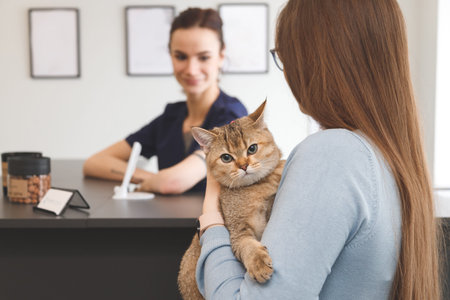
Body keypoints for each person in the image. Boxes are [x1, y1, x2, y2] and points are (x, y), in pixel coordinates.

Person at [195, 0, 440, 299]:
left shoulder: (334, 154)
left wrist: (210, 220)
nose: (286, 74)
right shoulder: (385, 152)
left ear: (314, 61)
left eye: (285, 57)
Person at [83, 8, 247, 194]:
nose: (191, 69)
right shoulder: (171, 117)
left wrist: (160, 180)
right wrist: (154, 179)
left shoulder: (233, 117)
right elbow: (94, 163)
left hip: (214, 223)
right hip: (167, 222)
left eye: (203, 57)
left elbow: (173, 182)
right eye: (181, 57)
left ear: (221, 56)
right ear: (170, 56)